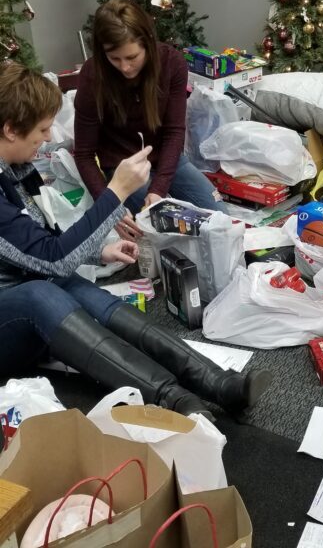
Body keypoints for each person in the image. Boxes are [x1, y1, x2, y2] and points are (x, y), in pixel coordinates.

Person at [0, 61, 270, 419]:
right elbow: (51, 257)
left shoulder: (15, 172)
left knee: (72, 287)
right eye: (43, 129)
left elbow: (36, 245)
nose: (49, 138)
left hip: (19, 293)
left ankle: (216, 382)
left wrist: (98, 251)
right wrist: (116, 192)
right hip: (15, 311)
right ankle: (172, 400)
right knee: (44, 290)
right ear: (10, 130)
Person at [74, 0, 226, 243]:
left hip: (169, 159)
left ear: (148, 44)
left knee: (220, 221)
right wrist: (108, 205)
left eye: (132, 57)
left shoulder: (172, 63)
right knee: (164, 232)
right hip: (124, 169)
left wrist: (159, 188)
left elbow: (175, 132)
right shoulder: (93, 76)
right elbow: (83, 154)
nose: (125, 67)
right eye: (115, 59)